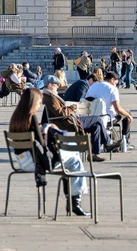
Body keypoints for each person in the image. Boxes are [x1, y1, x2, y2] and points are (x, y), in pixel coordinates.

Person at [9, 88, 90, 217]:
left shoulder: (16, 118)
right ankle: (75, 202)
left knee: (69, 162)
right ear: (33, 102)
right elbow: (43, 144)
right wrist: (46, 130)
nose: (40, 104)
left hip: (22, 160)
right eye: (39, 101)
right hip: (36, 161)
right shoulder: (32, 117)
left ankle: (72, 198)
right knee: (74, 158)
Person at [86, 71, 134, 145]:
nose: (115, 85)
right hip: (107, 117)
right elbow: (117, 109)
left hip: (91, 117)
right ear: (111, 80)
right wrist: (128, 116)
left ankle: (114, 139)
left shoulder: (92, 87)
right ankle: (125, 141)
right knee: (127, 113)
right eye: (115, 83)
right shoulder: (112, 89)